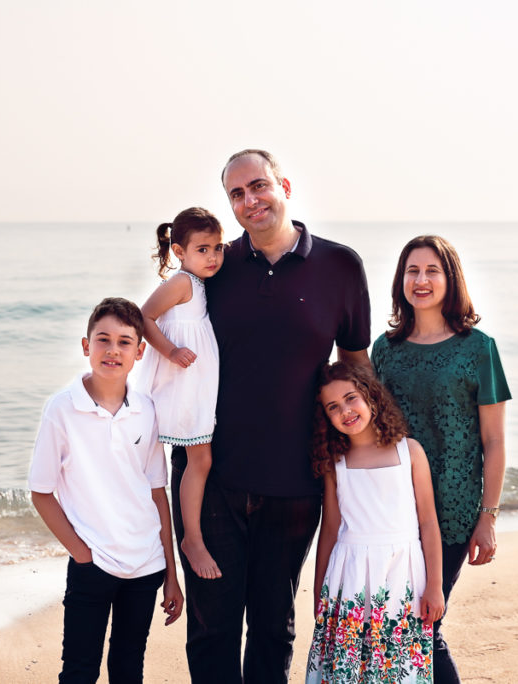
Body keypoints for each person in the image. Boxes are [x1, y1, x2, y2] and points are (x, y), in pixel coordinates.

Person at [169, 149, 372, 683]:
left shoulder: (341, 266)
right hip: (212, 475)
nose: (249, 200)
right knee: (211, 628)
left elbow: (356, 369)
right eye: (236, 194)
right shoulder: (216, 266)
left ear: (283, 184)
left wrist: (379, 451)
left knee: (271, 626)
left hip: (296, 479)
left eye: (257, 186)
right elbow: (165, 330)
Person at [371, 236, 511, 684]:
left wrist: (487, 517)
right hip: (394, 508)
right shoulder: (385, 349)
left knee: (425, 623)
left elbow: (494, 442)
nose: (422, 280)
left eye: (432, 270)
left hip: (451, 510)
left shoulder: (478, 348)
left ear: (451, 279)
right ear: (401, 280)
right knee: (393, 625)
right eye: (412, 271)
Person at [28, 297, 183, 683]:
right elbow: (41, 492)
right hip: (93, 563)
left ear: (140, 352)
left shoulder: (146, 409)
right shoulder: (62, 409)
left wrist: (171, 572)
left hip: (146, 564)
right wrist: (81, 554)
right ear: (86, 346)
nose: (113, 350)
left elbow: (157, 492)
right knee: (79, 671)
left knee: (128, 669)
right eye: (103, 340)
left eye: (125, 342)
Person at [306, 362, 445, 683]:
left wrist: (435, 587)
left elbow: (428, 522)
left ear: (371, 397)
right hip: (349, 573)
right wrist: (318, 592)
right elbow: (329, 529)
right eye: (333, 407)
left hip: (403, 573)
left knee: (396, 666)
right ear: (326, 418)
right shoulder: (335, 462)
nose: (345, 411)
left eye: (351, 398)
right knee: (348, 665)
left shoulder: (409, 451)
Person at [136, 207, 225, 580]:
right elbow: (143, 316)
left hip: (196, 384)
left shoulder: (199, 283)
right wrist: (170, 350)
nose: (213, 257)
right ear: (179, 251)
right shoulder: (182, 282)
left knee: (195, 460)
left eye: (218, 248)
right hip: (182, 384)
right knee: (199, 461)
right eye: (203, 249)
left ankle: (176, 538)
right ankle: (192, 538)